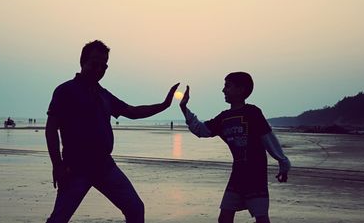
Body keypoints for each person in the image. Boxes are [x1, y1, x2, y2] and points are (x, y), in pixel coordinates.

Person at [45, 40, 179, 223]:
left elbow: (132, 112)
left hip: (105, 166)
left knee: (135, 209)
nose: (99, 69)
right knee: (59, 218)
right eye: (95, 63)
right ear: (82, 62)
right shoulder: (65, 91)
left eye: (104, 65)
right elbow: (51, 128)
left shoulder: (103, 94)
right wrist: (57, 164)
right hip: (75, 168)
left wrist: (164, 105)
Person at [179, 72, 290, 223]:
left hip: (255, 175)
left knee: (261, 217)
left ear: (241, 89)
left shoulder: (252, 112)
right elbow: (201, 130)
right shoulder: (224, 117)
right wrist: (184, 107)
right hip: (237, 174)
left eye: (227, 86)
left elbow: (268, 138)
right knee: (224, 217)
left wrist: (283, 162)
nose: (223, 90)